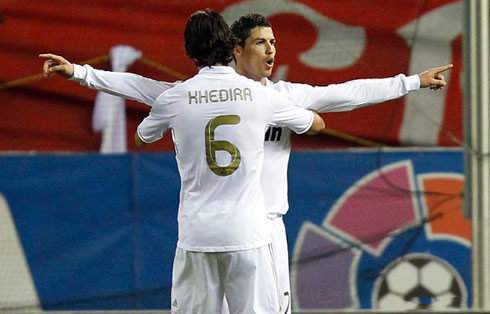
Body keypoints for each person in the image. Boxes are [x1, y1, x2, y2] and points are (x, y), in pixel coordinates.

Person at [40, 13, 452, 313]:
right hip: (241, 227)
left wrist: (410, 82)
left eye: (274, 42)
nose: (272, 49)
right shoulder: (250, 98)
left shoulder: (281, 94)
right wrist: (80, 72)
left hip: (264, 226)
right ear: (236, 50)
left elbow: (349, 92)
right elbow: (138, 85)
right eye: (261, 42)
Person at [46, 9, 325, 313]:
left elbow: (142, 129)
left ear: (189, 51)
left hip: (198, 234)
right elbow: (315, 123)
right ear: (231, 45)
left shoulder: (177, 97)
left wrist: (80, 72)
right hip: (249, 234)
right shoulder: (260, 96)